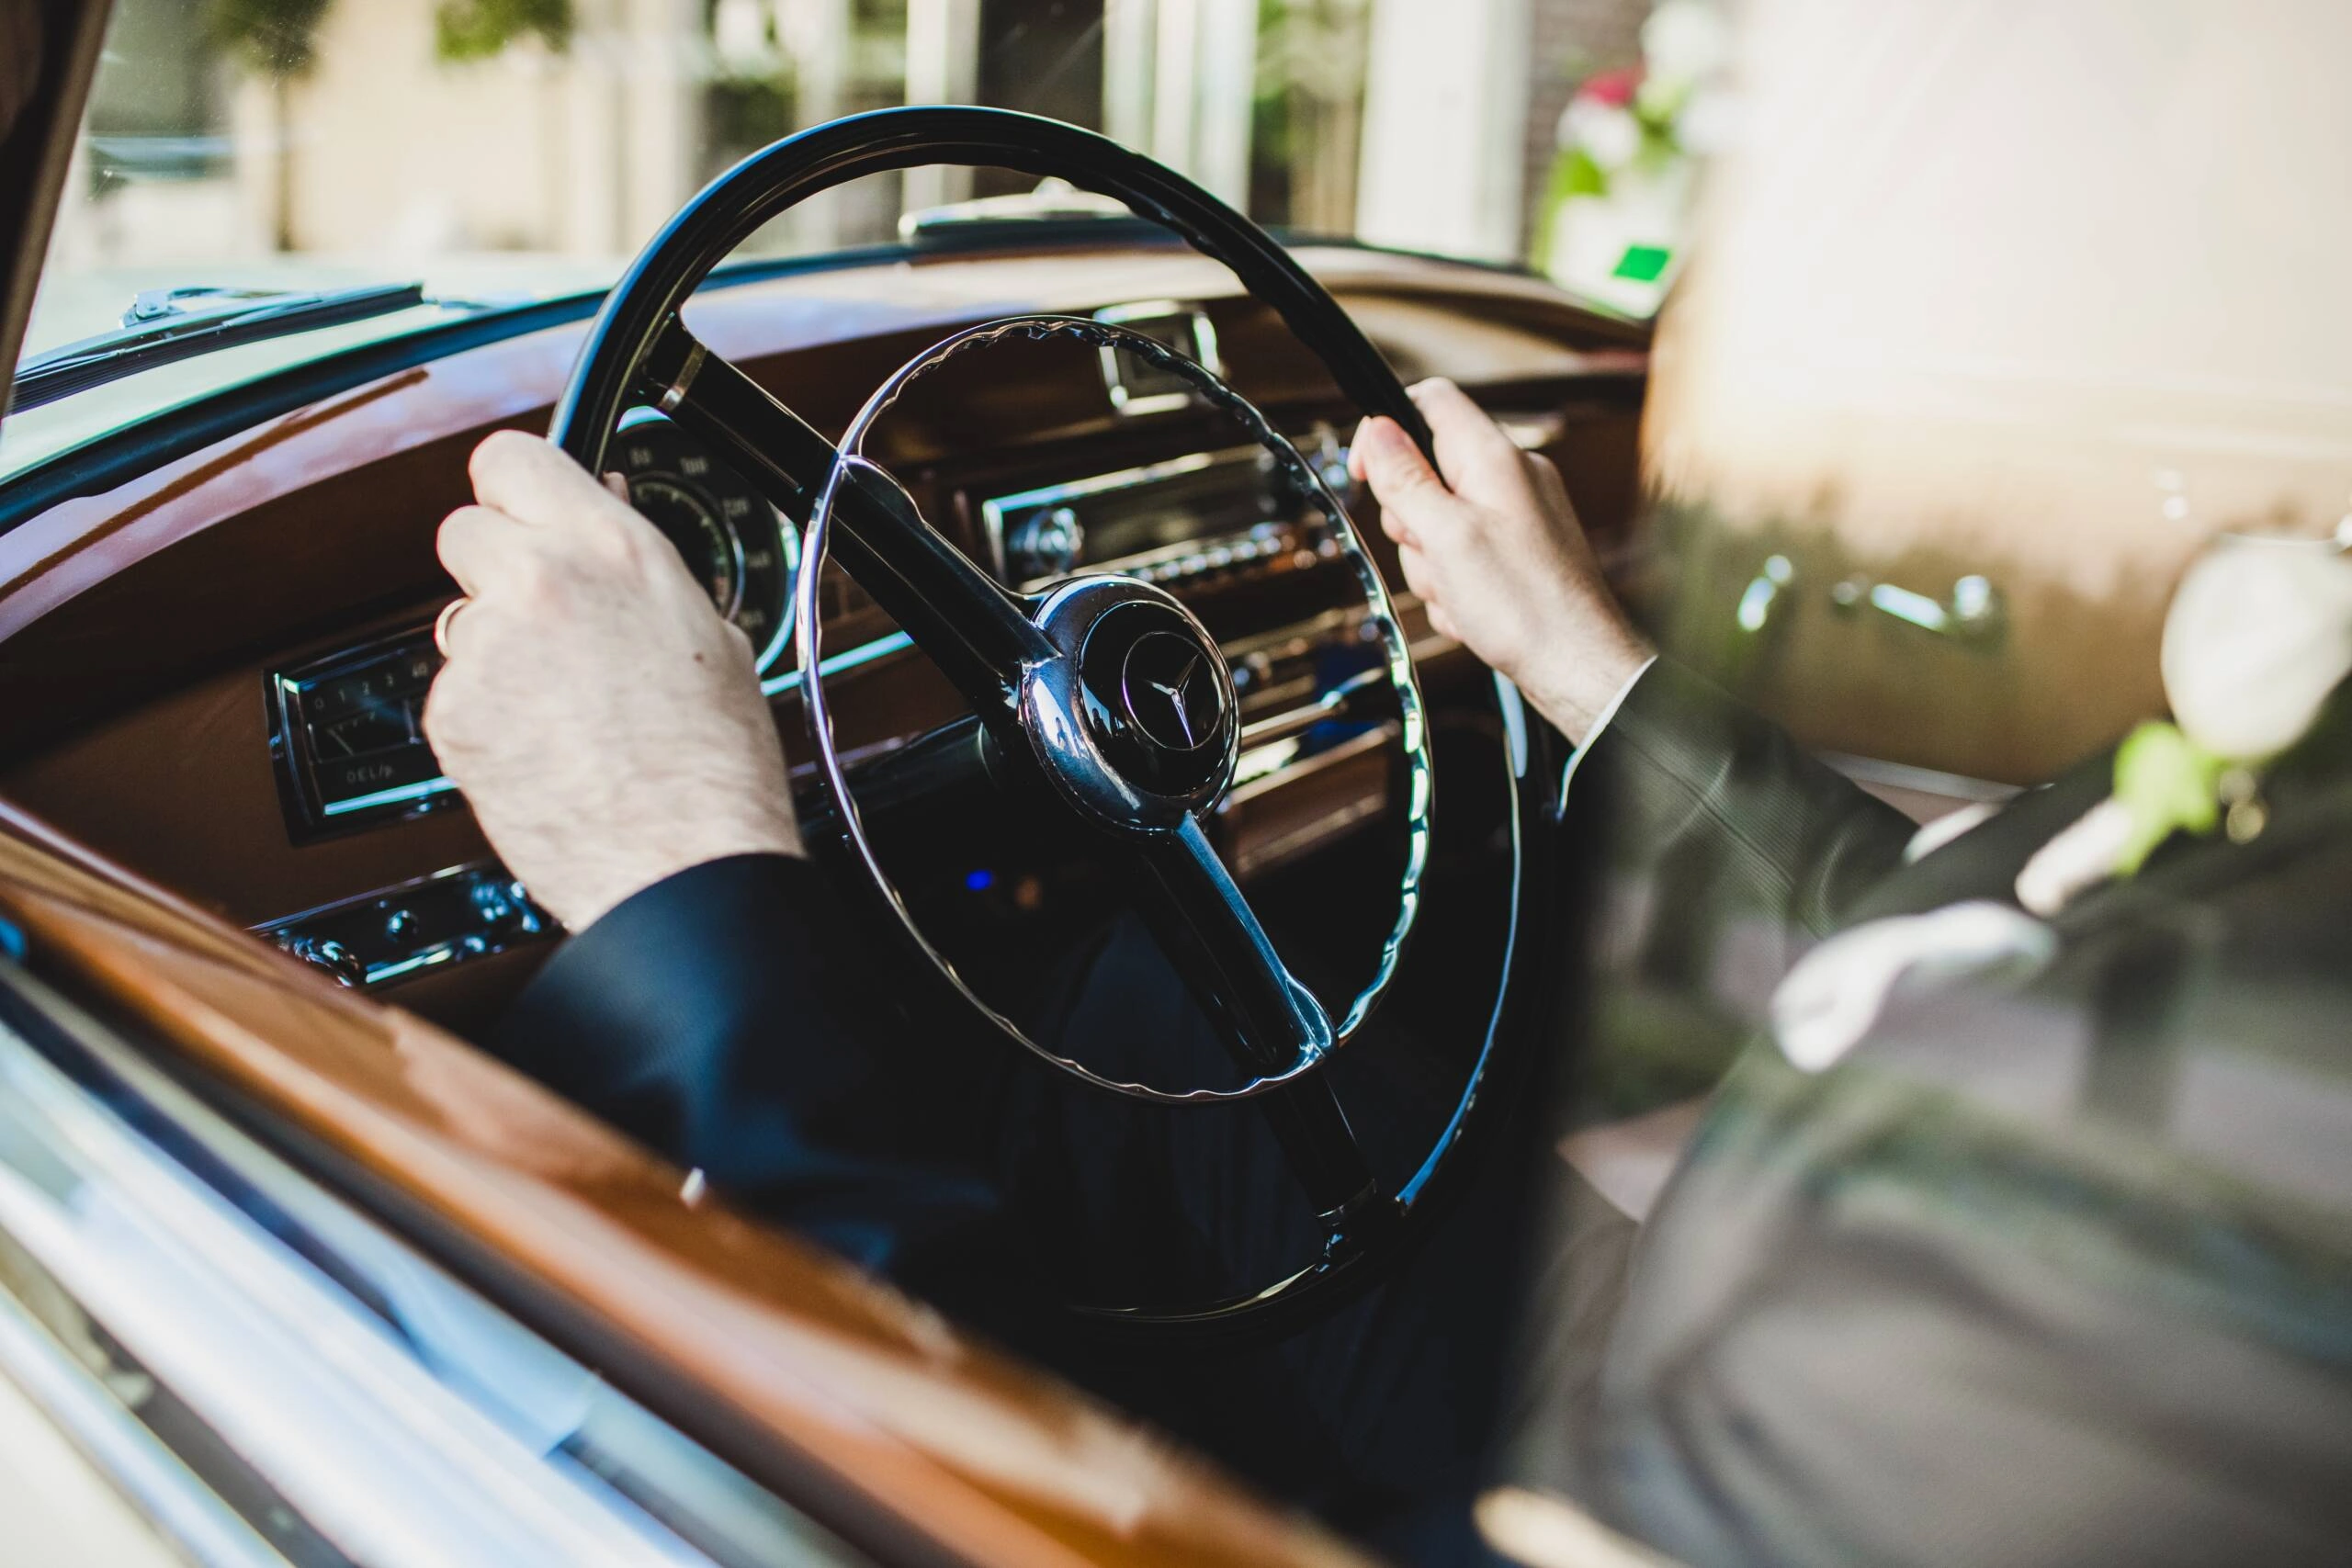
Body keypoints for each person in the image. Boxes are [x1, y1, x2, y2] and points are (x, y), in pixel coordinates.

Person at [424, 378, 2352, 1563]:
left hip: (1732, 1439)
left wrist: (685, 870)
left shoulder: (2208, 1336)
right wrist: (1586, 671)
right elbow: (2021, 937)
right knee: (1151, 1005)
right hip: (1845, 1274)